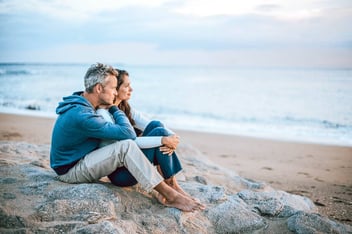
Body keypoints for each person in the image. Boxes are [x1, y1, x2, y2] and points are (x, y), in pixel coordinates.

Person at [50, 63, 204, 212]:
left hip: (78, 160)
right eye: (112, 88)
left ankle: (171, 185)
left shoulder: (83, 104)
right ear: (98, 88)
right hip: (70, 170)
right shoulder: (83, 115)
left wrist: (169, 137)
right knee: (126, 147)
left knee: (149, 132)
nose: (116, 93)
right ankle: (170, 195)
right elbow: (128, 134)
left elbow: (139, 126)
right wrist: (114, 108)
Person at [97, 69, 190, 198]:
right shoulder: (104, 114)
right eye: (127, 86)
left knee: (156, 126)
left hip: (132, 164)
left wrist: (173, 140)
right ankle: (170, 182)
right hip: (120, 175)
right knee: (159, 133)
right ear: (115, 89)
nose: (131, 89)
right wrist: (163, 140)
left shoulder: (124, 108)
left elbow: (152, 125)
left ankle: (170, 180)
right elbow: (127, 144)